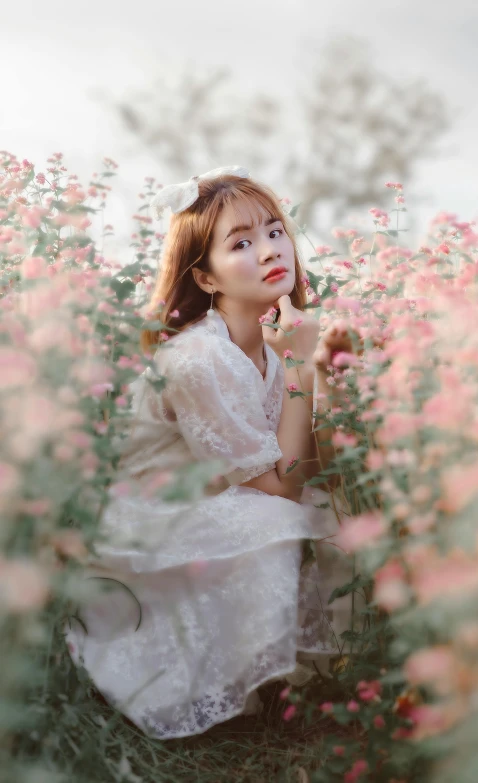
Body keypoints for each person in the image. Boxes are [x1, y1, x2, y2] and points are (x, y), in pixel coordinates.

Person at [65, 166, 356, 739]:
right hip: (153, 524)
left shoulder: (268, 346)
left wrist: (327, 376)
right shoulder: (198, 358)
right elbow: (281, 485)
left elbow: (308, 467)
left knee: (342, 507)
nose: (271, 249)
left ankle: (309, 683)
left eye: (275, 231)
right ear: (205, 275)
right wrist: (301, 367)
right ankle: (234, 693)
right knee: (279, 516)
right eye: (241, 243)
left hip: (224, 499)